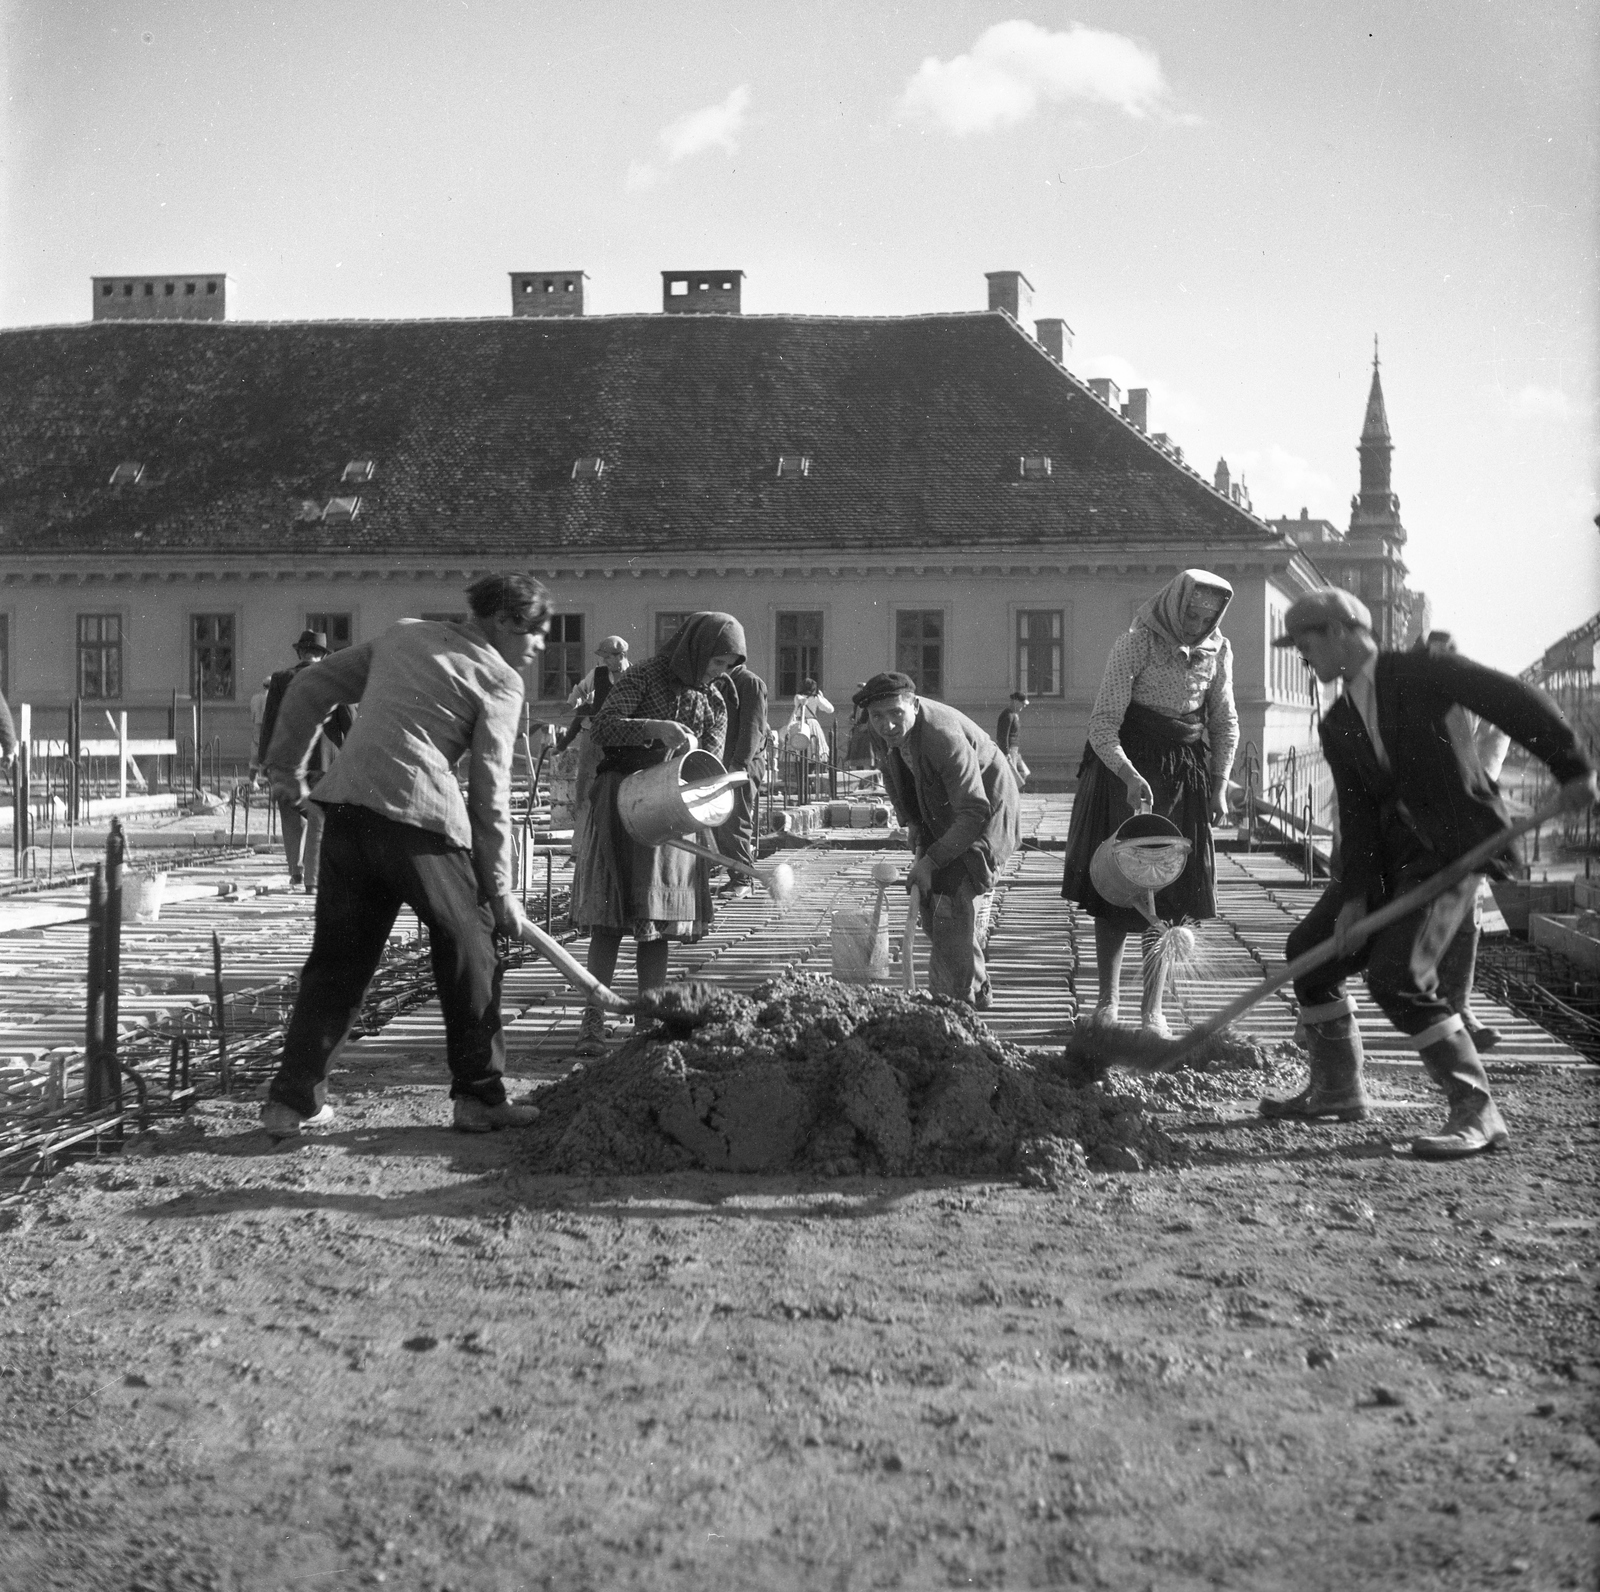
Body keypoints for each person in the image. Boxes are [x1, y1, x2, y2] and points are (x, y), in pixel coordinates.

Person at [1261, 589, 1596, 1160]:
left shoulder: (1423, 672)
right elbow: (1359, 812)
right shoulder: (1338, 721)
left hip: (1455, 850)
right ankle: (1338, 1088)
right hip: (1393, 860)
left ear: (1341, 632)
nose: (1302, 658)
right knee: (1311, 952)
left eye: (1306, 644)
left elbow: (1514, 700)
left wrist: (1570, 768)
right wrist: (1354, 898)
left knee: (1397, 973)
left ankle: (1476, 1110)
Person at [259, 574, 553, 1138]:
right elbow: (489, 796)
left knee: (338, 964)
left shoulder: (403, 635)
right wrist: (502, 891)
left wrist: (285, 770)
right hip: (417, 821)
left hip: (346, 814)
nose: (539, 645)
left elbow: (309, 687)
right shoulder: (501, 679)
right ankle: (480, 1098)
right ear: (506, 621)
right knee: (472, 945)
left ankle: (290, 1104)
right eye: (536, 632)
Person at [1060, 569, 1238, 1035]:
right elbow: (1102, 725)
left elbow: (1224, 721)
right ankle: (1107, 1004)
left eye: (1207, 617)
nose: (1197, 624)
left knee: (1172, 890)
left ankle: (1152, 1010)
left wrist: (1219, 782)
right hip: (1126, 774)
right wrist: (1130, 775)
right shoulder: (1135, 644)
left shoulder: (1219, 651)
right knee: (1118, 885)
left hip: (1184, 779)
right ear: (1174, 605)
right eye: (1191, 613)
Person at [570, 612, 745, 1054]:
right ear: (695, 649)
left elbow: (710, 764)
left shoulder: (716, 700)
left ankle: (646, 1020)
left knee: (659, 917)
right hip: (623, 799)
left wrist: (696, 757)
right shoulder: (645, 676)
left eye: (726, 665)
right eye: (716, 661)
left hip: (671, 809)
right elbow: (603, 726)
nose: (719, 672)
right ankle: (594, 1018)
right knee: (610, 917)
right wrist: (653, 729)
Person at [860, 671, 1020, 1008]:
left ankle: (955, 1003)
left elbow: (975, 811)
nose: (887, 725)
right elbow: (892, 774)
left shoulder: (941, 736)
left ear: (914, 705)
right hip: (939, 803)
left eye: (895, 714)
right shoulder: (880, 730)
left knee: (953, 896)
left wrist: (932, 860)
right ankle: (974, 985)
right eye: (878, 716)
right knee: (933, 907)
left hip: (987, 808)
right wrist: (914, 823)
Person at [257, 630, 352, 890]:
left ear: (300, 652)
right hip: (324, 761)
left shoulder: (280, 679)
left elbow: (269, 724)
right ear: (322, 655)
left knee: (290, 814)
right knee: (318, 816)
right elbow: (349, 722)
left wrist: (265, 762)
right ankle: (313, 879)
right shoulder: (335, 677)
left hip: (286, 759)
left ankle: (295, 872)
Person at [711, 662, 770, 900]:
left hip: (742, 765)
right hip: (722, 764)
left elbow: (752, 728)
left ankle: (743, 879)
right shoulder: (719, 681)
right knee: (719, 821)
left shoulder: (749, 682)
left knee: (735, 821)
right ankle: (733, 873)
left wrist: (738, 766)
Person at [996, 692, 1031, 788]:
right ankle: (1010, 795)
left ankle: (1011, 794)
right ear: (1015, 702)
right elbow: (1003, 736)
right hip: (1010, 749)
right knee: (1013, 775)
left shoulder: (1013, 714)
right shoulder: (1008, 715)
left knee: (1023, 772)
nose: (1023, 706)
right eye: (1022, 703)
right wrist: (1006, 752)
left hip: (1014, 749)